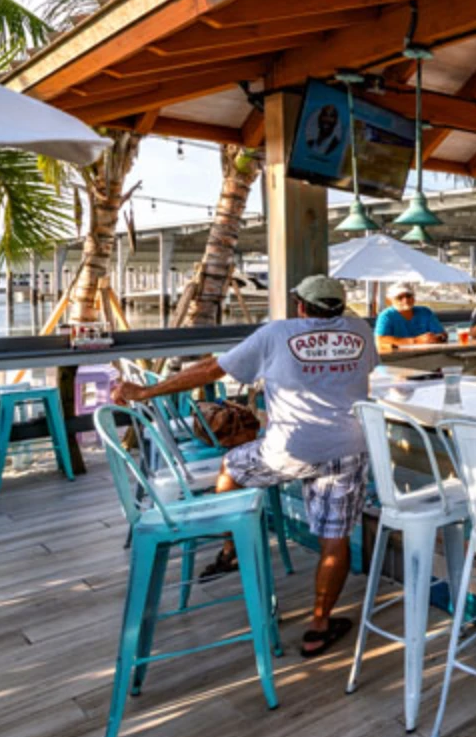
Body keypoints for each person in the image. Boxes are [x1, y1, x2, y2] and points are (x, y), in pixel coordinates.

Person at [110, 274, 374, 657]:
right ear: (340, 306)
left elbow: (212, 370)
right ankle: (318, 627)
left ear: (301, 306)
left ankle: (232, 548)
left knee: (231, 467)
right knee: (334, 538)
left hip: (288, 451)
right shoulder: (361, 330)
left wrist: (147, 390)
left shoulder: (277, 333)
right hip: (347, 447)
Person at [375, 282, 447, 351]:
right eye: (400, 297)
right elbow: (380, 340)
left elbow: (441, 334)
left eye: (408, 296)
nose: (405, 300)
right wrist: (416, 340)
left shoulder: (425, 312)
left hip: (425, 355)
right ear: (390, 300)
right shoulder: (386, 316)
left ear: (413, 297)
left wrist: (438, 337)